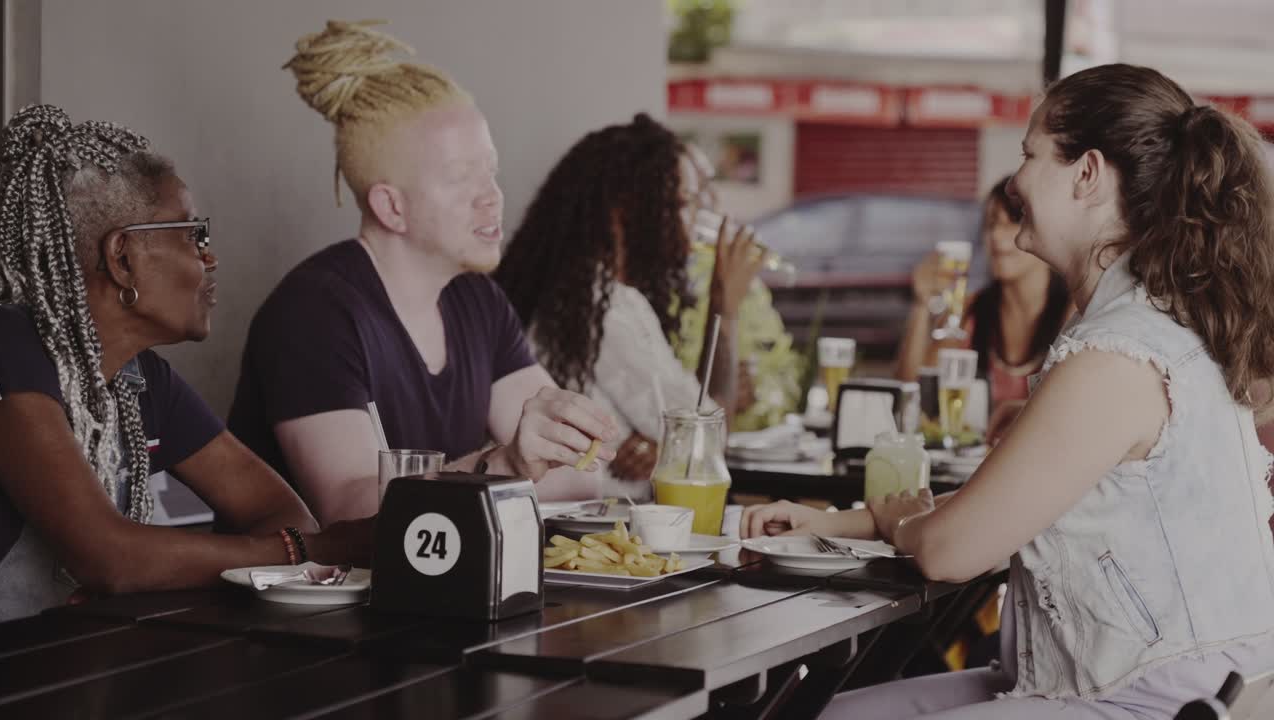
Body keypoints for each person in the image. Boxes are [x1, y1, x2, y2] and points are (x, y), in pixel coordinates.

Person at [743, 63, 1274, 719]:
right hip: (1164, 683)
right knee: (840, 712)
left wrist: (894, 519)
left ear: (1087, 175)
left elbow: (947, 551)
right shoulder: (1153, 326)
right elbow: (1008, 508)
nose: (1016, 178)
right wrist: (841, 521)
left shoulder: (1117, 355)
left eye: (1030, 153)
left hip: (1146, 700)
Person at [228, 20, 619, 525]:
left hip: (437, 591)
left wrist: (533, 455)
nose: (492, 196)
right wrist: (505, 463)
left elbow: (578, 474)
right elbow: (350, 508)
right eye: (461, 177)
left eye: (490, 171)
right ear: (391, 207)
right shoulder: (313, 312)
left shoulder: (479, 300)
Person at [0, 105, 372, 621]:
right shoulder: (9, 345)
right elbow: (110, 558)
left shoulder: (142, 381)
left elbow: (280, 513)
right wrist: (313, 552)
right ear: (123, 257)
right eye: (195, 235)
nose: (210, 258)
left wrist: (294, 547)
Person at [494, 114, 764, 498]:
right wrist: (725, 303)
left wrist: (665, 449)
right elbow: (706, 443)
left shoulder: (573, 295)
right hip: (605, 530)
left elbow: (691, 431)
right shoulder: (609, 306)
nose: (694, 222)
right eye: (684, 203)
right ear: (628, 209)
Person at [897, 177, 1070, 443]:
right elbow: (914, 390)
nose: (996, 238)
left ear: (1044, 229)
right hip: (974, 464)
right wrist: (922, 304)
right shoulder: (971, 310)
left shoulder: (1072, 314)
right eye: (990, 225)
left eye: (1012, 222)